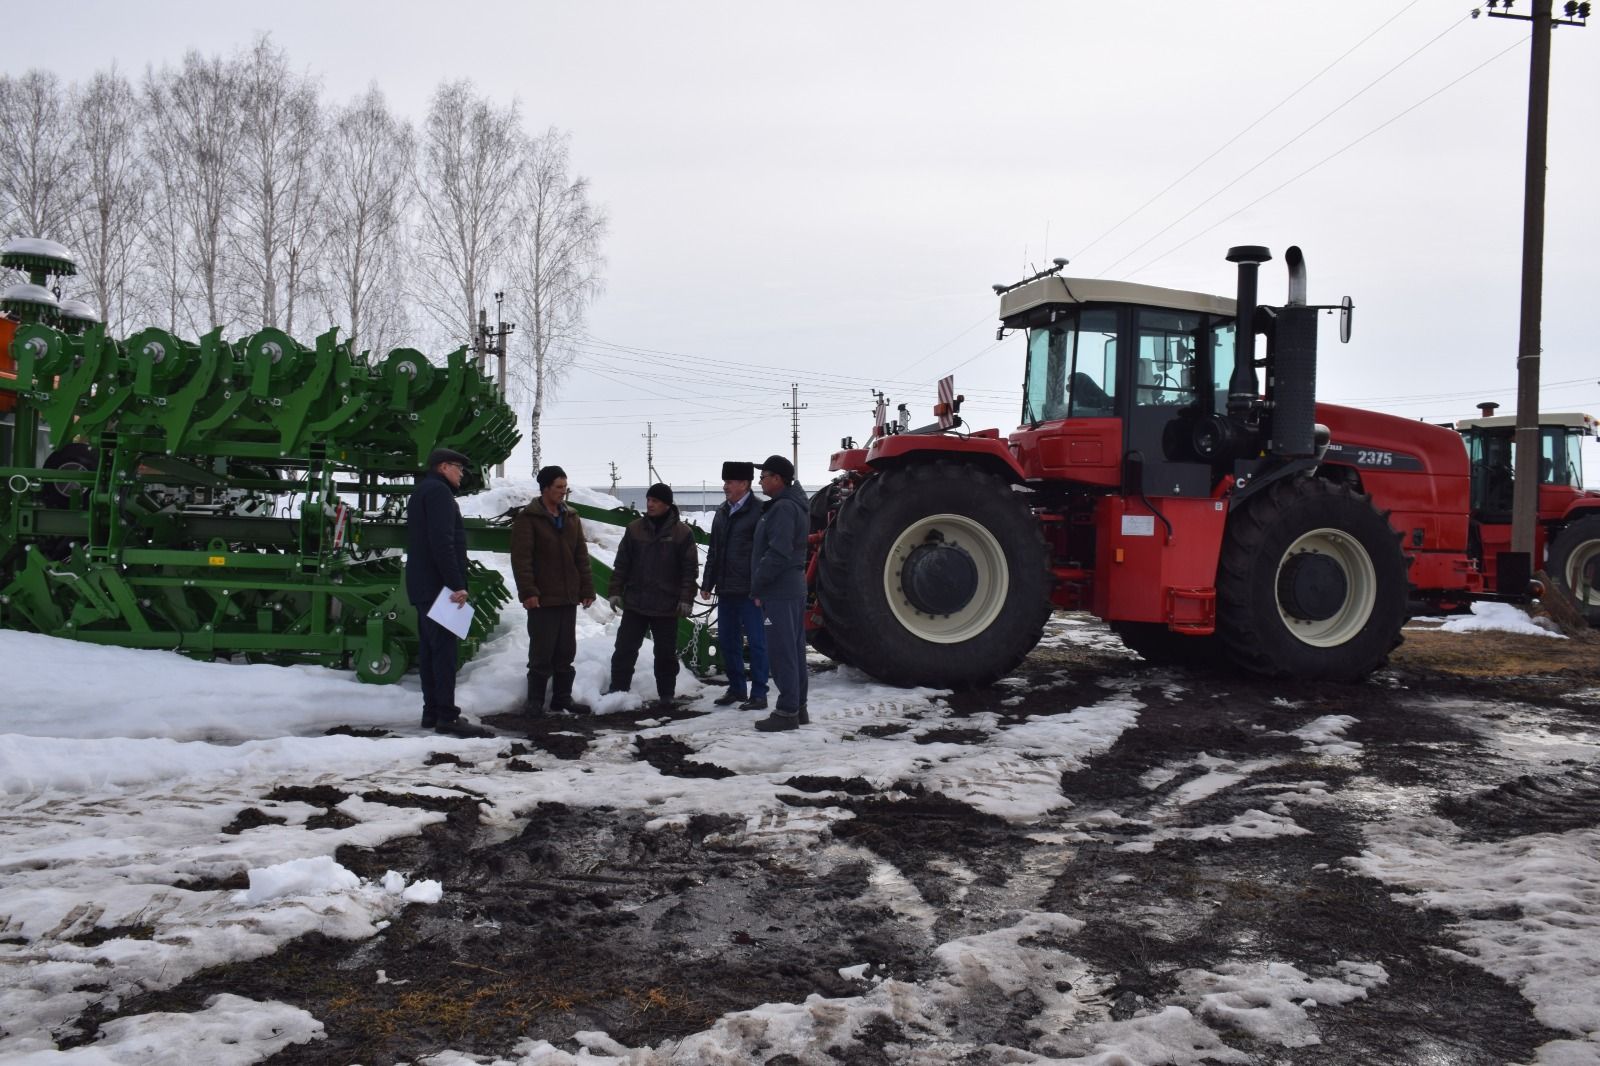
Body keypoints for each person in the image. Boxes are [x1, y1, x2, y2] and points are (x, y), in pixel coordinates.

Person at [404, 447, 491, 737]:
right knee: (444, 653)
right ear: (443, 467)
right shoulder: (440, 494)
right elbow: (442, 542)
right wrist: (457, 584)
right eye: (458, 467)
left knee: (430, 651)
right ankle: (447, 717)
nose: (462, 473)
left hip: (422, 585)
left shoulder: (421, 492)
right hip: (439, 587)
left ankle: (431, 712)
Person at [511, 465, 597, 717]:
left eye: (565, 488)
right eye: (559, 487)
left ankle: (562, 699)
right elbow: (522, 559)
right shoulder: (528, 519)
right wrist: (528, 592)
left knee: (565, 651)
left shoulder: (571, 517)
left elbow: (581, 555)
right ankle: (535, 702)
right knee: (541, 652)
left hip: (568, 597)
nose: (563, 492)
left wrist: (587, 588)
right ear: (545, 488)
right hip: (543, 598)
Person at [608, 483, 699, 712]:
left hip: (666, 605)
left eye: (655, 501)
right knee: (624, 650)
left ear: (667, 505)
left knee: (665, 654)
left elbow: (690, 571)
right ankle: (618, 692)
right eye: (648, 499)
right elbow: (622, 563)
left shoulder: (682, 534)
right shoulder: (634, 529)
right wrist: (615, 590)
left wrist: (686, 598)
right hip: (636, 603)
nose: (650, 504)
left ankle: (666, 695)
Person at [699, 460, 770, 710]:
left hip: (751, 592)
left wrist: (762, 587)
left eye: (729, 482)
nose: (725, 486)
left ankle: (759, 693)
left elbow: (765, 553)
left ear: (744, 483)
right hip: (727, 590)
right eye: (725, 481)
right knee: (729, 642)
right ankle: (737, 688)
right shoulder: (721, 512)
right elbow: (714, 551)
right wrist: (708, 582)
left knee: (758, 643)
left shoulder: (760, 511)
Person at [750, 455, 810, 731]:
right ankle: (798, 708)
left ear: (777, 479)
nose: (759, 480)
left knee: (783, 652)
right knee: (793, 650)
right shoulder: (788, 505)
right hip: (790, 588)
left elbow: (778, 552)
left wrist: (759, 583)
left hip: (780, 590)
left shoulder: (783, 509)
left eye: (763, 476)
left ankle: (787, 712)